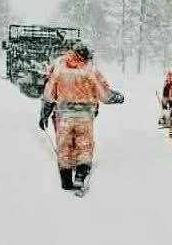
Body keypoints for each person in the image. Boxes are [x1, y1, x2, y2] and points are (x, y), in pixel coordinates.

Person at [39, 42, 125, 191]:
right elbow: (104, 95)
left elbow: (49, 95)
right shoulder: (90, 70)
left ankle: (66, 180)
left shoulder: (59, 69)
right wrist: (117, 97)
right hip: (85, 115)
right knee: (84, 146)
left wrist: (44, 114)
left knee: (64, 147)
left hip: (64, 115)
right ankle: (80, 175)